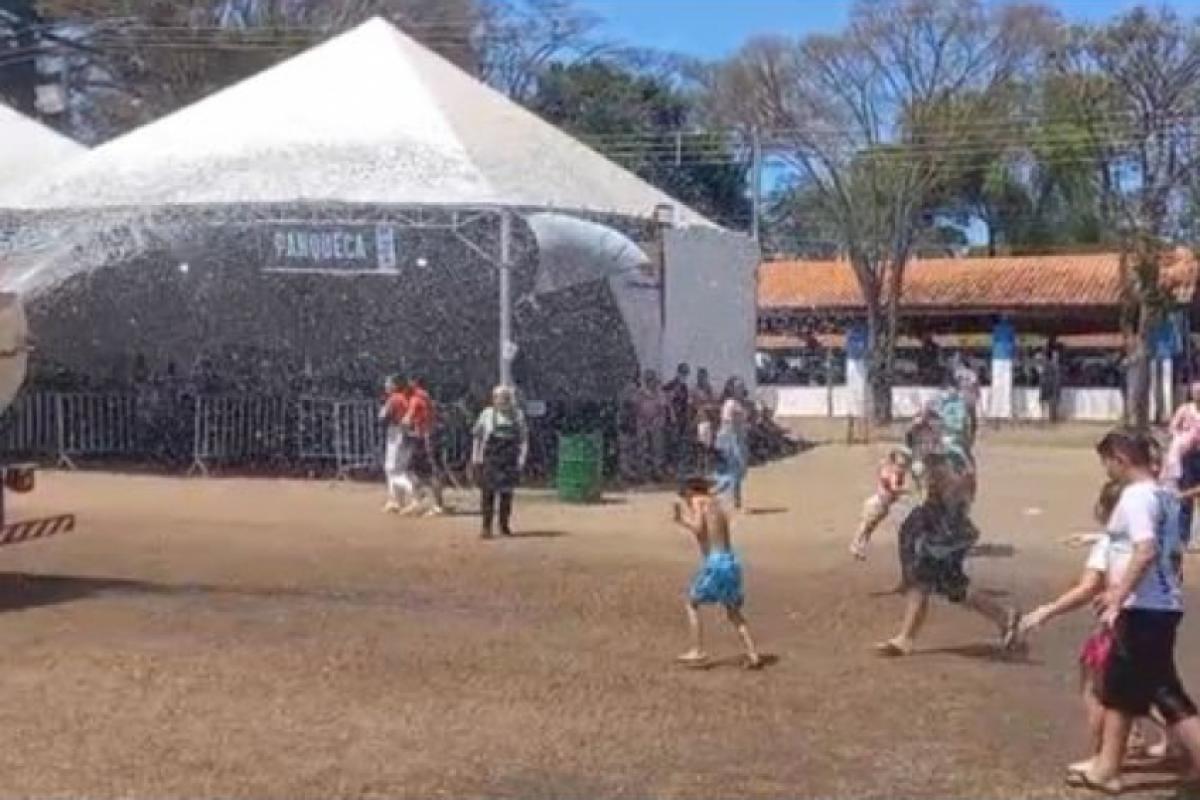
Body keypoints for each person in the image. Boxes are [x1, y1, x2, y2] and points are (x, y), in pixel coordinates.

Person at [1069, 429, 1200, 795]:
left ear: (1120, 459)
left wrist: (1116, 596)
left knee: (1151, 691)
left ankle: (1108, 769)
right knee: (1133, 690)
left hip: (1143, 608)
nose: (1107, 470)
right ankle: (1106, 766)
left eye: (1107, 462)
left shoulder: (1136, 497)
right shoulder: (1165, 495)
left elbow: (1144, 550)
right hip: (1160, 605)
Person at [1021, 481, 1176, 773]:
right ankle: (1154, 737)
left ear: (1105, 509)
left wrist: (1047, 611)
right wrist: (1093, 537)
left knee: (1097, 689)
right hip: (1154, 619)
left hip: (1117, 626)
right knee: (1145, 687)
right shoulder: (1151, 536)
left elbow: (1088, 588)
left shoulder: (1110, 543)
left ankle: (1100, 756)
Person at [875, 446, 1020, 658]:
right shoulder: (933, 463)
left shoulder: (945, 466)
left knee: (928, 582)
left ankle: (905, 638)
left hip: (942, 536)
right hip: (934, 531)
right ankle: (1004, 617)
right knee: (949, 587)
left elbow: (955, 498)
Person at [671, 475, 763, 670]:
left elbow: (698, 528)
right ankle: (753, 653)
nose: (686, 502)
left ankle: (697, 650)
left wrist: (681, 521)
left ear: (690, 492)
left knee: (691, 603)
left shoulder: (698, 501)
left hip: (716, 563)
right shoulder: (717, 504)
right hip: (731, 561)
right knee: (733, 612)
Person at [471, 385, 529, 539]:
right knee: (488, 493)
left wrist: (522, 458)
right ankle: (486, 527)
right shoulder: (487, 414)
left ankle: (504, 526)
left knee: (506, 494)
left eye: (505, 397)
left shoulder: (518, 415)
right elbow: (477, 435)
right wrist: (476, 456)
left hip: (509, 458)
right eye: (499, 397)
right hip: (491, 457)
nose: (502, 401)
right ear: (493, 399)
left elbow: (523, 439)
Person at [850, 447, 912, 560]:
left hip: (884, 505)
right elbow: (893, 488)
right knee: (865, 525)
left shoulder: (895, 472)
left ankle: (860, 547)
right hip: (878, 502)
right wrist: (905, 490)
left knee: (870, 527)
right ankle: (855, 545)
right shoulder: (891, 472)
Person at [404, 377, 447, 517]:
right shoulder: (427, 398)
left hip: (424, 438)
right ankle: (423, 500)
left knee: (417, 470)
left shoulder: (416, 399)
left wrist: (405, 429)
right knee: (424, 470)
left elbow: (407, 420)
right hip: (431, 436)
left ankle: (433, 503)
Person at [379, 375, 417, 515]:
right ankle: (395, 501)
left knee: (393, 470)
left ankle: (414, 495)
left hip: (397, 434)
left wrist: (383, 411)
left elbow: (383, 417)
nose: (386, 385)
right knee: (396, 468)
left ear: (395, 385)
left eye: (388, 383)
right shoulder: (404, 398)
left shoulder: (394, 399)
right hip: (406, 434)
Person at [714, 377, 751, 510]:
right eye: (738, 386)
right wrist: (735, 444)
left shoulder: (739, 403)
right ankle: (730, 499)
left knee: (738, 471)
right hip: (729, 439)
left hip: (737, 438)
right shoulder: (730, 404)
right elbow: (730, 424)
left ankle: (734, 500)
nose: (741, 389)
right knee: (734, 471)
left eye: (742, 386)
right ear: (732, 389)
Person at [633, 370, 668, 482]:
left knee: (657, 449)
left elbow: (663, 409)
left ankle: (657, 472)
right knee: (642, 449)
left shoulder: (659, 393)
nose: (650, 382)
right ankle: (643, 473)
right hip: (642, 423)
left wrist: (659, 421)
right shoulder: (640, 393)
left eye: (651, 380)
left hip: (656, 424)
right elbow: (636, 408)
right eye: (648, 380)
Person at [663, 363, 692, 476]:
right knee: (672, 443)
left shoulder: (684, 387)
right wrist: (672, 415)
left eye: (686, 373)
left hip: (682, 419)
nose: (684, 375)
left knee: (681, 443)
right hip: (672, 419)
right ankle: (670, 466)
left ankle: (679, 467)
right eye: (683, 373)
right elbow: (668, 402)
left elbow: (685, 404)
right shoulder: (671, 385)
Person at [692, 368, 719, 473]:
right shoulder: (695, 391)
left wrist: (710, 407)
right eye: (700, 376)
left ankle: (707, 467)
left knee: (708, 446)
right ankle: (699, 467)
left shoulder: (709, 389)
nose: (702, 379)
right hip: (700, 420)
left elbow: (714, 403)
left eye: (704, 376)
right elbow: (692, 406)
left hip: (709, 420)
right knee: (700, 446)